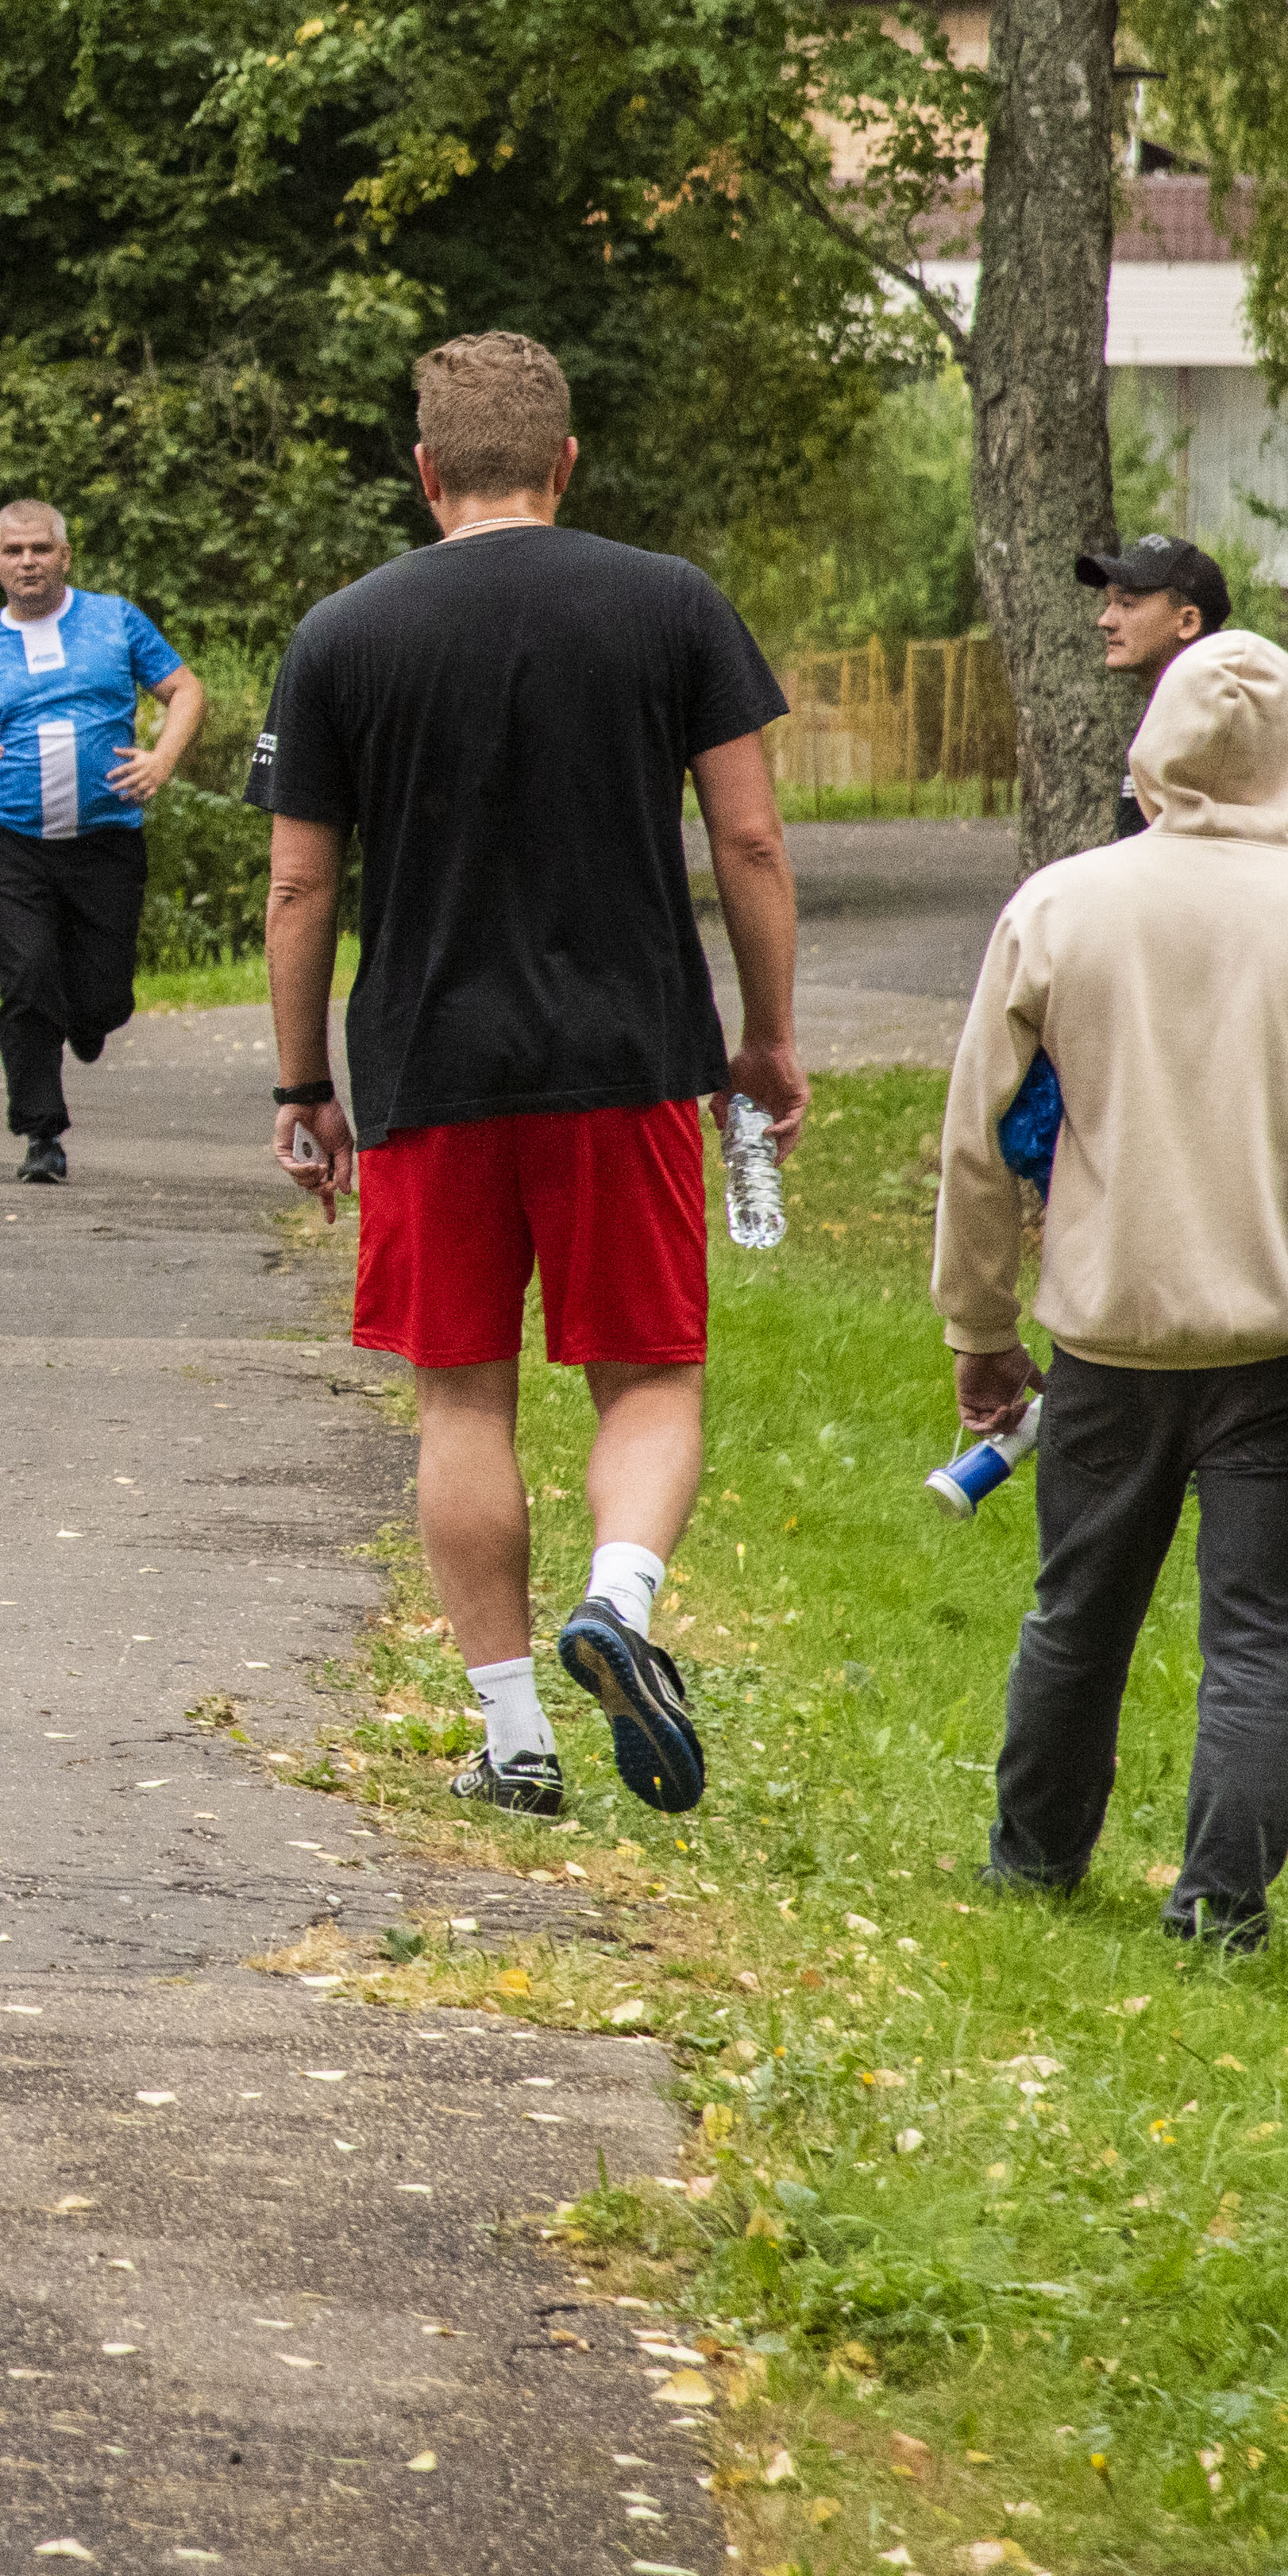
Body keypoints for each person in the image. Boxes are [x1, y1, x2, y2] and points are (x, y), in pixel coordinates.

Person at [257, 333, 798, 1824]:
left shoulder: (343, 634)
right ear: (567, 463)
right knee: (649, 1372)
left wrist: (304, 1081)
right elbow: (749, 842)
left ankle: (514, 1738)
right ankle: (618, 1604)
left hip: (430, 1066)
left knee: (462, 1399)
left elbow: (301, 890)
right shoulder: (671, 605)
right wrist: (764, 1038)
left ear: (425, 472)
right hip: (625, 1060)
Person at [933, 627, 1288, 1949]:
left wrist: (980, 1323)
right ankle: (1220, 1900)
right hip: (1284, 1345)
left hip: (1110, 1335)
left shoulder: (1063, 905)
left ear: (1153, 743)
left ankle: (1034, 1858)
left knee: (1080, 1608)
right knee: (1257, 1640)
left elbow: (974, 1135)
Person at [0, 500, 202, 1185]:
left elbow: (184, 691)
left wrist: (162, 759)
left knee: (105, 1001)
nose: (28, 561)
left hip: (106, 840)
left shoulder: (115, 620)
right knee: (27, 978)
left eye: (41, 548)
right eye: (14, 551)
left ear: (65, 556)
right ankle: (41, 1133)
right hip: (12, 843)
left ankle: (90, 1015)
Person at [1077, 533, 1232, 843]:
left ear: (1187, 622)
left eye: (1127, 604)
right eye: (1108, 604)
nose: (1105, 620)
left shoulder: (1218, 723)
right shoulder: (1173, 710)